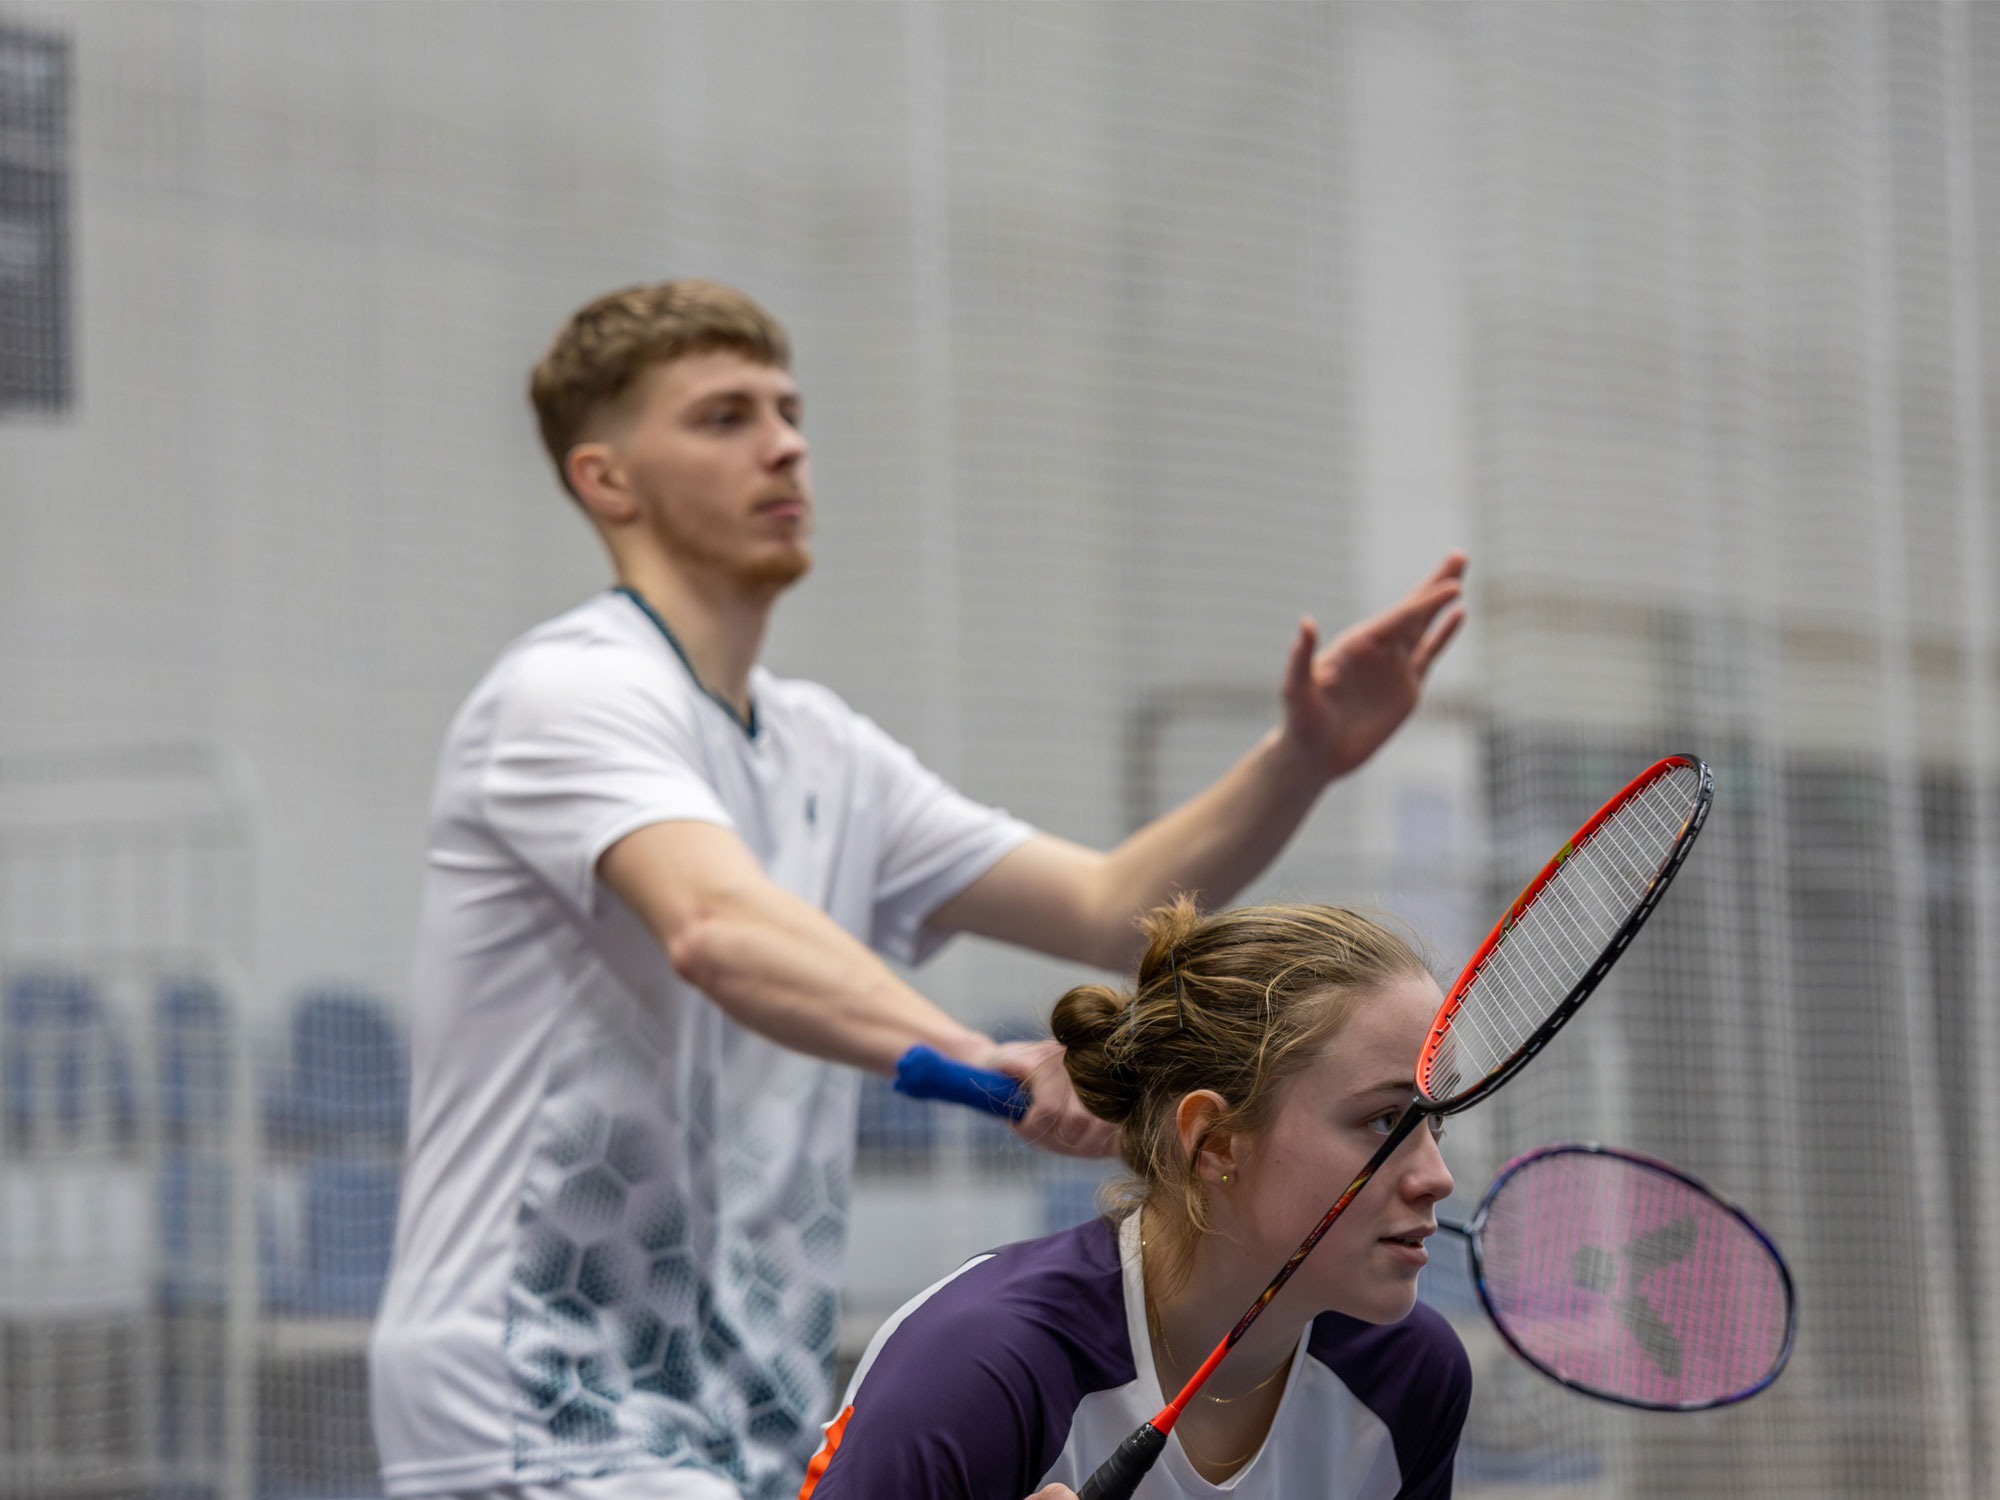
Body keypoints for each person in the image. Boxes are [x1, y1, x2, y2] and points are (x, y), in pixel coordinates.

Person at [368, 279, 1467, 1500]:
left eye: (788, 412)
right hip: (538, 1385)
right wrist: (975, 1063)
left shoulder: (824, 749)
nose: (784, 444)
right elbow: (716, 928)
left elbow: (1108, 904)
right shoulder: (569, 693)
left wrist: (1298, 760)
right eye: (724, 416)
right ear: (605, 479)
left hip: (742, 1391)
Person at [800, 898, 1470, 1500]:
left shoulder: (1412, 1374)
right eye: (1386, 1120)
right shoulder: (974, 1365)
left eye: (1434, 1119)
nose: (1435, 1177)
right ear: (1215, 1142)